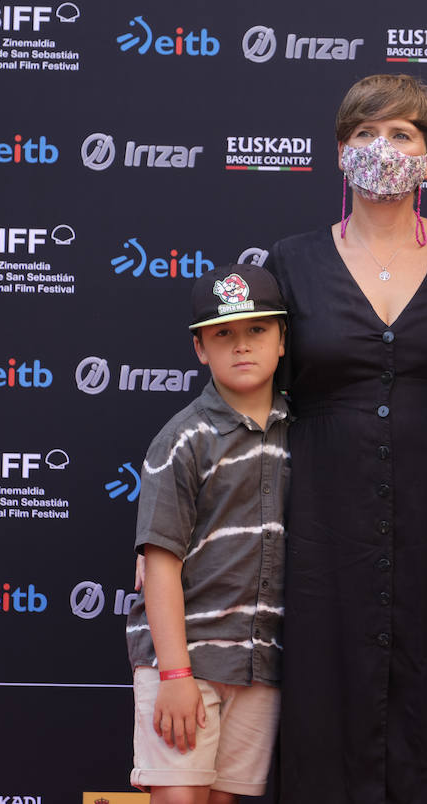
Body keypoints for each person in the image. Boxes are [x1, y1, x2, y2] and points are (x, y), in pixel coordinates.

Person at [266, 74, 427, 802]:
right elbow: (245, 401)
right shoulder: (291, 262)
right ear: (338, 153)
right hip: (321, 533)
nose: (381, 148)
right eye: (364, 133)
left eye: (402, 136)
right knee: (325, 711)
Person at [125, 263, 291, 803]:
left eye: (257, 330)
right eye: (224, 334)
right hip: (185, 660)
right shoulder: (182, 440)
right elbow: (160, 564)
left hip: (258, 663)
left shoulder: (305, 431)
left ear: (283, 339)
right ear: (201, 348)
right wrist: (174, 675)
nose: (242, 346)